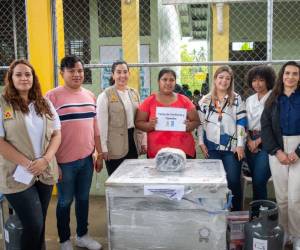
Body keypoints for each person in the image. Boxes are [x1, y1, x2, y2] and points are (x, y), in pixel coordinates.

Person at [0, 59, 61, 250]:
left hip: (44, 171)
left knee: (40, 224)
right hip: (17, 173)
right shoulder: (3, 104)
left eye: (28, 74)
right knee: (33, 225)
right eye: (18, 74)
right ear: (10, 78)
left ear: (33, 78)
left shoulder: (44, 103)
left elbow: (57, 133)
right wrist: (29, 164)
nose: (24, 78)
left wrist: (46, 159)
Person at [46, 55, 102, 250]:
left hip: (87, 160)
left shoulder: (90, 95)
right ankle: (64, 240)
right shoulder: (51, 97)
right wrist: (53, 162)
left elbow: (95, 129)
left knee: (84, 199)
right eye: (72, 71)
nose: (77, 74)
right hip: (64, 163)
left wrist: (99, 154)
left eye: (80, 70)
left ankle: (82, 235)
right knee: (64, 201)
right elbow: (46, 134)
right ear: (62, 73)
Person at [261, 61, 300, 248]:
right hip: (277, 149)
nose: (290, 77)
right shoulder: (273, 98)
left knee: (296, 197)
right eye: (287, 73)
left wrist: (297, 152)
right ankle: (284, 233)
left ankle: (297, 235)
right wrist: (277, 151)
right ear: (281, 76)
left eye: (295, 73)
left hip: (298, 148)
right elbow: (265, 127)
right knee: (282, 198)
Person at [198, 65, 247, 211]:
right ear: (215, 79)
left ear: (230, 81)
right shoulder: (204, 100)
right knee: (215, 182)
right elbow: (200, 124)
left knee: (232, 181)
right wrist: (201, 142)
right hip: (211, 147)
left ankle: (236, 213)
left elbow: (242, 122)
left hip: (231, 148)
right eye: (221, 77)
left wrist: (240, 144)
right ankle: (217, 211)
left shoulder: (237, 99)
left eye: (227, 78)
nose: (224, 81)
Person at [135, 68, 200, 158]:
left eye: (171, 80)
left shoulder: (184, 100)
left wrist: (189, 126)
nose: (168, 83)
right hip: (157, 152)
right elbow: (138, 122)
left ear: (175, 82)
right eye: (164, 79)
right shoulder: (149, 101)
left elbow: (196, 121)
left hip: (183, 151)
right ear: (158, 81)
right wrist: (149, 125)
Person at [96, 60, 146, 176]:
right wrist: (103, 148)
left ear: (129, 74)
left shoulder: (134, 93)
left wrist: (143, 141)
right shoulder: (105, 96)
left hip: (132, 142)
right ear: (113, 75)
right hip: (113, 145)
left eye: (125, 72)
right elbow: (101, 125)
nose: (122, 75)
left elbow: (139, 119)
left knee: (132, 178)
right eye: (118, 72)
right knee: (116, 179)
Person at [245, 65, 276, 201]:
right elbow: (243, 122)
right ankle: (257, 214)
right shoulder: (249, 99)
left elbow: (274, 125)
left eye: (261, 80)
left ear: (268, 81)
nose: (257, 83)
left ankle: (262, 215)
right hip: (249, 139)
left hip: (267, 141)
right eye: (254, 80)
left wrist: (258, 141)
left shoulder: (274, 98)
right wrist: (249, 141)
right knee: (255, 181)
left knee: (259, 180)